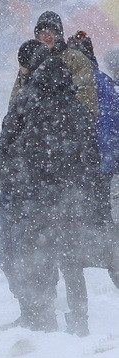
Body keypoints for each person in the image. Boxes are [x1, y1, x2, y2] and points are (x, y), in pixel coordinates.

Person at [0, 57, 99, 336]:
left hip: (36, 198)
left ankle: (41, 319)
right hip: (71, 197)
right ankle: (79, 319)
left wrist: (12, 179)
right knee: (72, 262)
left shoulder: (27, 104)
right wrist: (84, 191)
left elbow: (7, 148)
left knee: (38, 257)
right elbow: (91, 157)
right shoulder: (77, 109)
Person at [0, 39, 49, 330]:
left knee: (17, 250)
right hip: (23, 184)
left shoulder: (36, 96)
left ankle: (37, 312)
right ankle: (34, 310)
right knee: (18, 250)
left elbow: (17, 139)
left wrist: (5, 167)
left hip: (26, 186)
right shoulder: (34, 93)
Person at [68, 31, 119, 289]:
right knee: (106, 219)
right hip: (108, 167)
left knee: (82, 220)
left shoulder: (69, 86)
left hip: (80, 166)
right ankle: (111, 268)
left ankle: (92, 267)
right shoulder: (109, 85)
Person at [8, 11, 98, 117]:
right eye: (42, 31)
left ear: (59, 33)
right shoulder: (32, 61)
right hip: (34, 125)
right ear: (37, 35)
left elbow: (86, 98)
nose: (47, 35)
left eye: (52, 31)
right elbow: (15, 102)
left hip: (67, 124)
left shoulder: (75, 59)